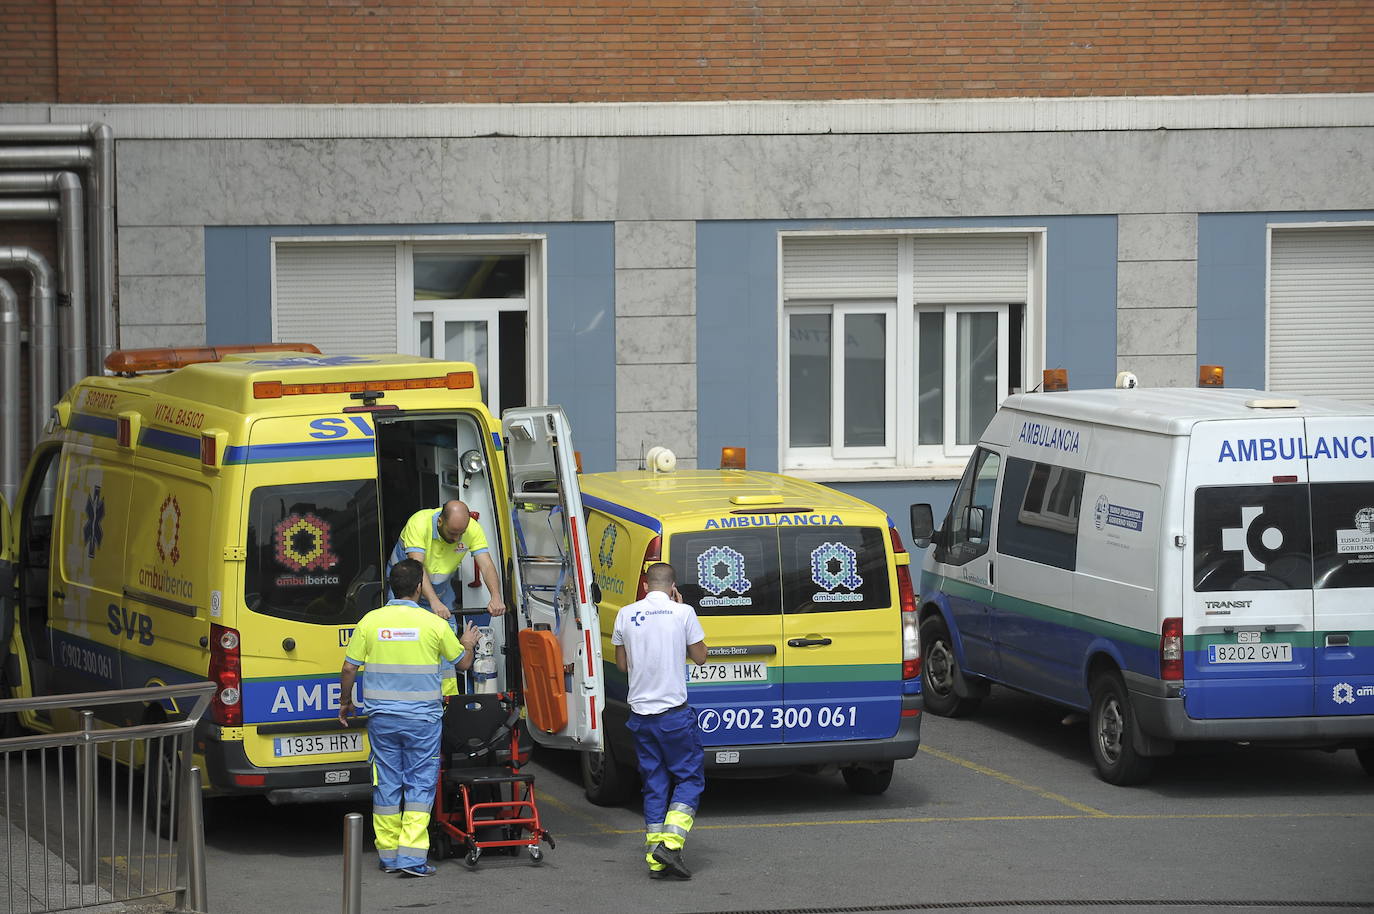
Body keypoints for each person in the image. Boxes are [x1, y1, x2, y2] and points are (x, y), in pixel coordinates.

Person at [339, 558, 480, 877]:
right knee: (419, 786)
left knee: (386, 785)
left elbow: (349, 668)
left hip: (383, 720)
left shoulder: (371, 621)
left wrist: (345, 702)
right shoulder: (434, 624)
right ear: (419, 587)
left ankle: (388, 855)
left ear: (391, 587)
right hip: (422, 722)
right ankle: (412, 858)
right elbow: (462, 664)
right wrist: (468, 644)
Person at [611, 562, 708, 880]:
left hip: (640, 716)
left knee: (654, 784)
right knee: (689, 780)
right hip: (674, 716)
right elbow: (701, 656)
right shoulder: (683, 613)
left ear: (645, 586)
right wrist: (681, 615)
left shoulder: (625, 614)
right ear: (673, 587)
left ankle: (656, 860)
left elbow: (622, 665)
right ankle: (670, 844)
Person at [389, 500, 506, 625]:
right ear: (440, 522)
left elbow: (486, 566)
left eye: (461, 534)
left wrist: (496, 596)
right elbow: (417, 568)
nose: (457, 539)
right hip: (405, 586)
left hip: (440, 589)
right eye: (452, 533)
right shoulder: (419, 523)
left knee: (448, 629)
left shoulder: (472, 528)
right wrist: (434, 601)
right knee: (403, 628)